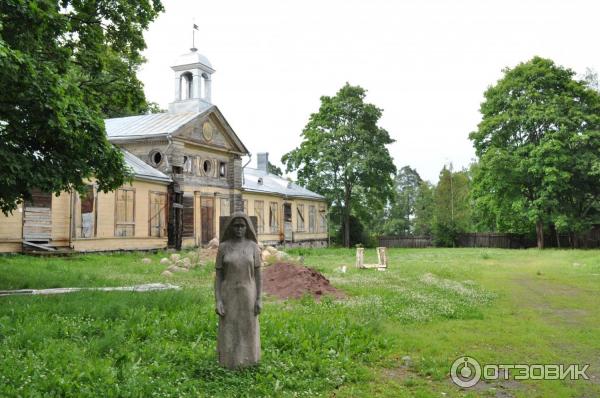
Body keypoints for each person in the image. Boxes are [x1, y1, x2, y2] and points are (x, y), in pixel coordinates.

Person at [214, 212, 262, 369]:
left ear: (247, 227)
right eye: (236, 225)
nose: (239, 229)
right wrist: (218, 300)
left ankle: (249, 361)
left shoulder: (253, 247)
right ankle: (228, 362)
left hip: (248, 292)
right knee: (229, 327)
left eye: (242, 225)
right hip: (228, 293)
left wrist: (259, 298)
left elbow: (258, 275)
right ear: (230, 227)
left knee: (248, 326)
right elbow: (219, 275)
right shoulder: (223, 248)